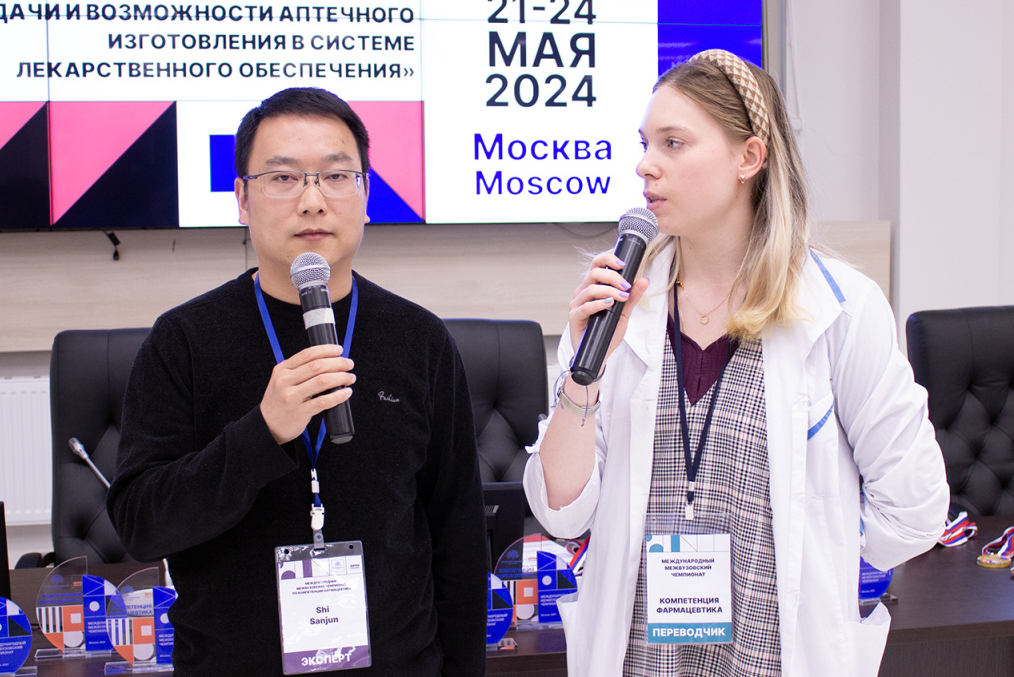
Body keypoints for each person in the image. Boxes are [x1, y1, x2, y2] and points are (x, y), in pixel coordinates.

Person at [523, 50, 949, 676]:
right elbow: (560, 510)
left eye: (673, 143)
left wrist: (819, 552)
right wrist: (584, 377)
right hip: (639, 660)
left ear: (748, 157)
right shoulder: (619, 308)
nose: (645, 165)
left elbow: (914, 510)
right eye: (644, 144)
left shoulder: (839, 309)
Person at [107, 87, 487, 675]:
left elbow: (457, 539)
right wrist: (262, 433)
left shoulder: (420, 339)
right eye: (283, 178)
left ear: (365, 195)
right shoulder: (183, 340)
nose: (313, 202)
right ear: (242, 198)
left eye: (336, 177)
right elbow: (142, 525)